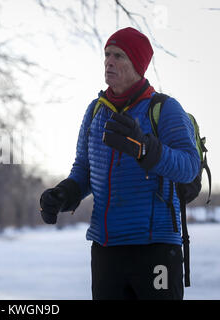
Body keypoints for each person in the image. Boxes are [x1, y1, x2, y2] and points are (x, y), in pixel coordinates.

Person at [39, 27, 200, 300]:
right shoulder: (95, 111)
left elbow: (188, 166)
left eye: (119, 56)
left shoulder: (165, 109)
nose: (109, 62)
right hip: (106, 251)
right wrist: (64, 194)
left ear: (137, 64)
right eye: (107, 55)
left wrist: (145, 149)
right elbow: (84, 171)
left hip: (156, 249)